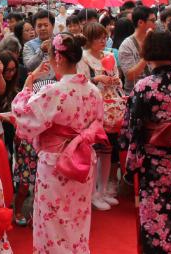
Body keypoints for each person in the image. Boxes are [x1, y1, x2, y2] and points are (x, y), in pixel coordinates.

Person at [12, 33, 107, 253]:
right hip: (83, 159)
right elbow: (98, 123)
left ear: (59, 58)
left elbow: (25, 121)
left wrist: (26, 89)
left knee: (52, 220)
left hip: (56, 163)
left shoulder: (53, 91)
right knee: (78, 217)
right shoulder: (93, 91)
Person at [119, 30, 171, 254]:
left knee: (155, 211)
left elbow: (132, 127)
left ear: (150, 53)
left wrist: (131, 164)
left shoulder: (145, 85)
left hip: (153, 158)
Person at [78, 22, 124, 210]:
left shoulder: (109, 55)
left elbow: (119, 80)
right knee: (94, 151)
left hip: (112, 108)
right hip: (93, 110)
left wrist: (114, 80)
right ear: (89, 40)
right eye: (99, 38)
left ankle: (102, 190)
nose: (103, 41)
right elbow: (81, 83)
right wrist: (96, 79)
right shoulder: (84, 58)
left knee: (107, 150)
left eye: (104, 37)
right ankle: (92, 193)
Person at [117, 6, 155, 95]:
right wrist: (147, 53)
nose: (155, 24)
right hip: (135, 94)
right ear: (140, 22)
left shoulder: (155, 39)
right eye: (152, 21)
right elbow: (130, 75)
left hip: (155, 90)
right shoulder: (126, 45)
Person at [0, 50, 22, 157]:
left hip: (10, 131)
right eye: (7, 70)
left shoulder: (14, 89)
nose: (11, 73)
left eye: (13, 70)